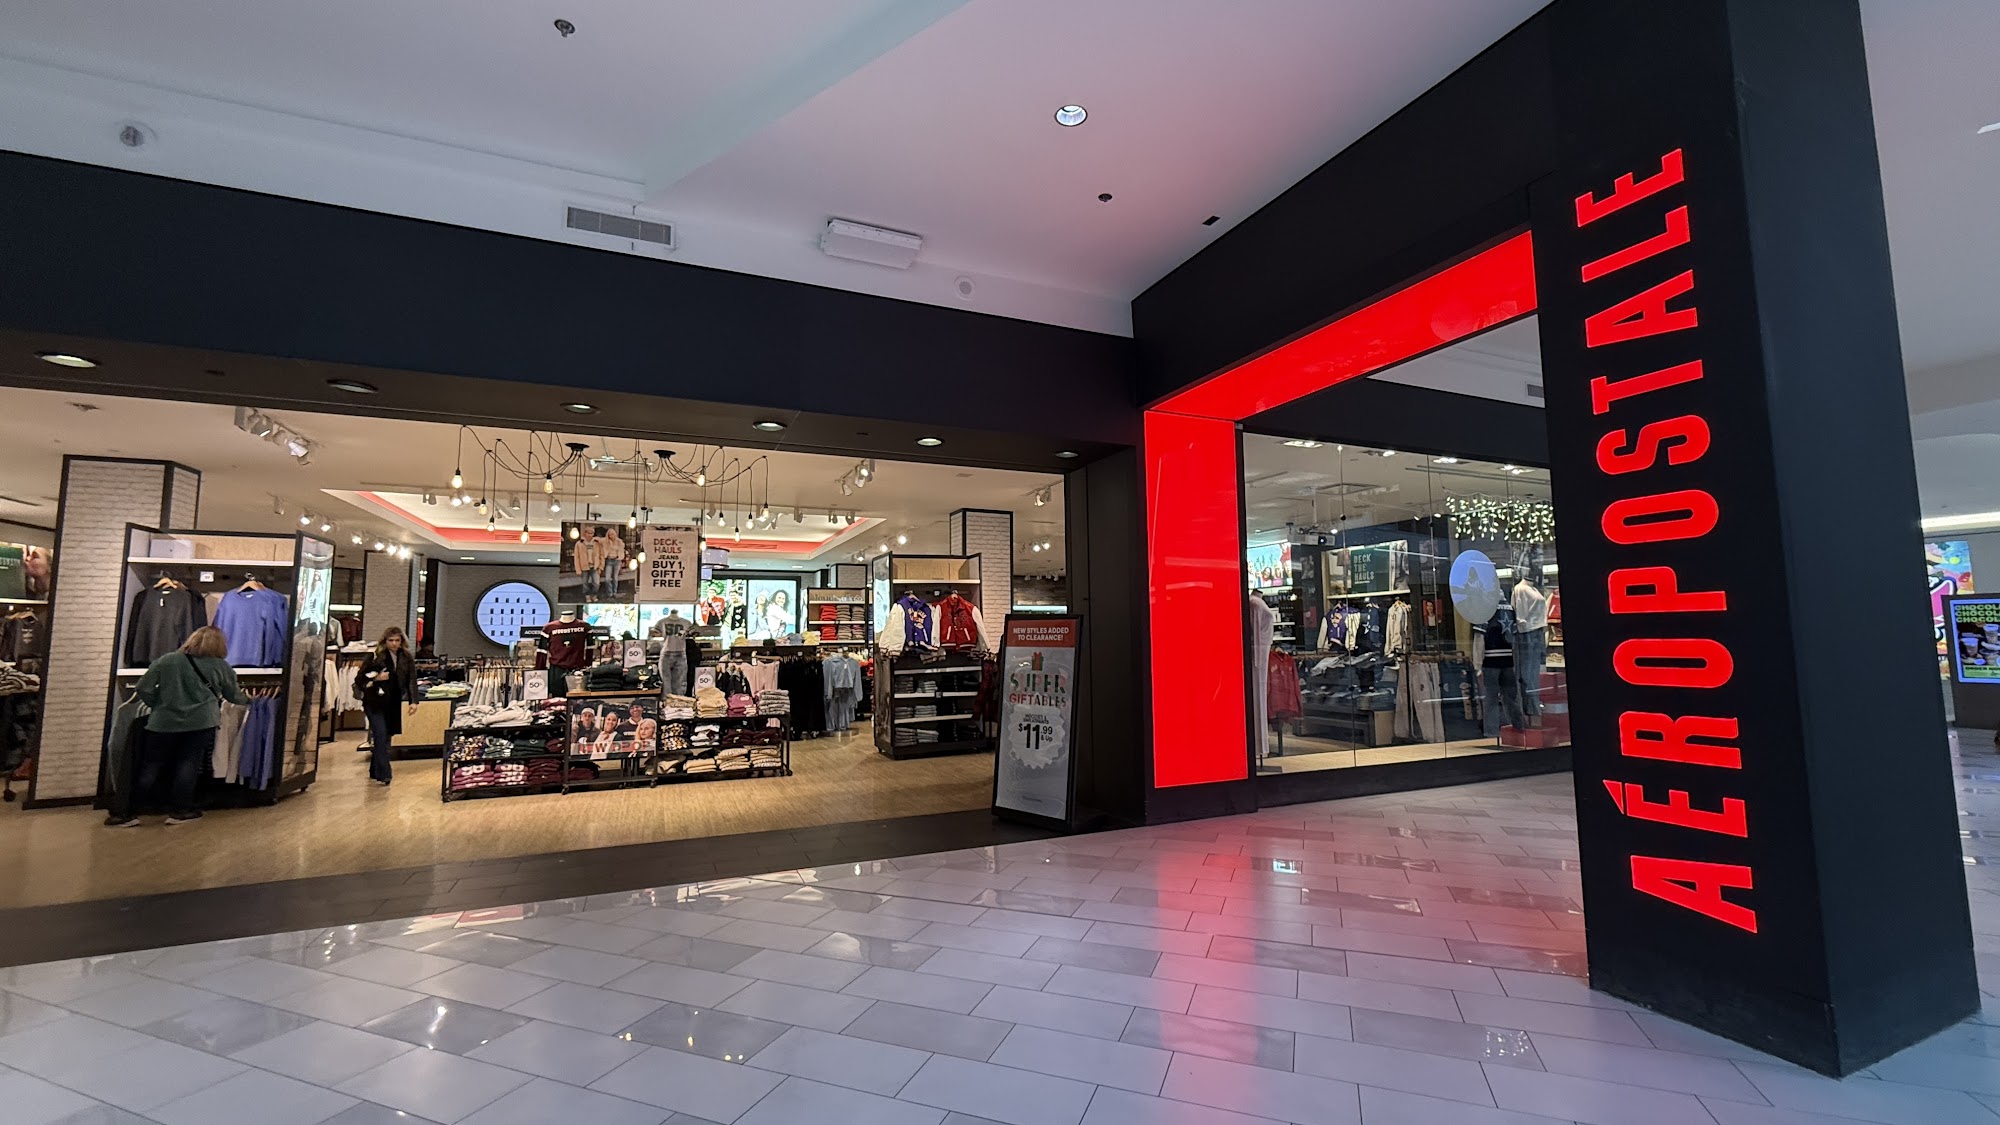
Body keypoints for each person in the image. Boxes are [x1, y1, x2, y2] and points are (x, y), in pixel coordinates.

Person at [111, 626, 252, 826]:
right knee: (188, 765)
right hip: (201, 722)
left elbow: (143, 687)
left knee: (151, 765)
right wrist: (250, 701)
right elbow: (233, 696)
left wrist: (157, 704)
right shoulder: (221, 667)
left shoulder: (167, 660)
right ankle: (180, 811)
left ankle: (127, 812)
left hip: (163, 722)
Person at [355, 626, 418, 785]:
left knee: (386, 736)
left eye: (397, 640)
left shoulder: (406, 657)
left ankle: (375, 770)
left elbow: (411, 679)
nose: (394, 643)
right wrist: (376, 678)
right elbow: (360, 679)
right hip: (374, 701)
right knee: (381, 734)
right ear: (385, 641)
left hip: (393, 701)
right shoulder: (376, 656)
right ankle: (385, 773)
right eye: (391, 640)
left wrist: (413, 701)